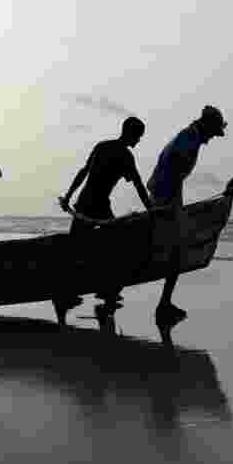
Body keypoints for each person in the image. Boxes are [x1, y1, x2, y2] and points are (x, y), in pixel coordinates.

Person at [58, 116, 153, 322]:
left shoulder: (102, 146)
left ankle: (69, 293)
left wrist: (68, 196)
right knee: (116, 248)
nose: (138, 141)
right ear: (130, 133)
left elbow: (83, 172)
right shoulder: (126, 157)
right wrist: (152, 211)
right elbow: (138, 185)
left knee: (75, 248)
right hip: (98, 206)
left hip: (84, 203)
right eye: (138, 137)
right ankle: (105, 292)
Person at [147, 105, 227, 324]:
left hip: (166, 192)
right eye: (213, 133)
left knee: (169, 247)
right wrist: (172, 206)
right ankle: (164, 305)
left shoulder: (188, 135)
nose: (211, 138)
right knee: (177, 249)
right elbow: (173, 164)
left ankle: (163, 302)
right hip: (166, 194)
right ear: (207, 126)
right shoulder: (190, 137)